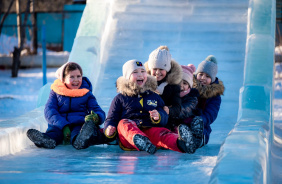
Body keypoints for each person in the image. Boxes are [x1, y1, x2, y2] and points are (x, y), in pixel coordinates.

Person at [103, 59, 196, 154]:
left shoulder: (154, 96)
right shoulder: (120, 98)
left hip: (149, 131)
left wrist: (158, 116)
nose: (140, 75)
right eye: (135, 72)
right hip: (129, 138)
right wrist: (109, 129)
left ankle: (181, 143)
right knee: (123, 124)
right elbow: (111, 118)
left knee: (162, 133)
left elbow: (164, 116)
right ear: (127, 77)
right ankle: (139, 140)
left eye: (143, 71)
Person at [26, 62, 106, 150]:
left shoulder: (86, 93)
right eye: (72, 77)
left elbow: (96, 109)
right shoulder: (56, 92)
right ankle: (46, 140)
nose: (76, 80)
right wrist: (63, 125)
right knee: (55, 133)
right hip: (59, 124)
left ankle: (80, 140)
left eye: (78, 76)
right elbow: (49, 111)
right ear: (63, 79)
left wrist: (97, 117)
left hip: (79, 124)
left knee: (78, 132)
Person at [191, 55, 225, 148]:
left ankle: (199, 139)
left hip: (202, 125)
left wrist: (201, 120)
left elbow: (212, 113)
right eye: (201, 74)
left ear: (213, 79)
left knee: (201, 130)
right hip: (186, 120)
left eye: (207, 76)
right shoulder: (189, 86)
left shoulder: (214, 95)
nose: (203, 78)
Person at [144, 46, 182, 121]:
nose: (158, 72)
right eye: (155, 69)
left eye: (161, 69)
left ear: (167, 70)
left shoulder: (172, 86)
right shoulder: (144, 82)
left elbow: (177, 107)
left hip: (164, 120)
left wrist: (170, 110)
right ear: (150, 69)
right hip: (145, 117)